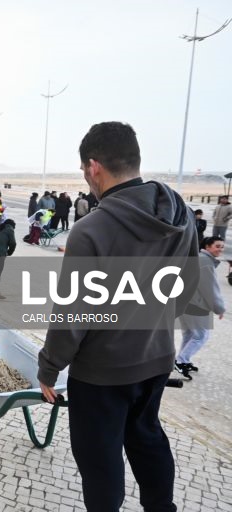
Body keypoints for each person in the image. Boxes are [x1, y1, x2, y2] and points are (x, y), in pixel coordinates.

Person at [38, 122, 199, 512]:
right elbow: (186, 284)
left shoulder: (90, 229)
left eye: (83, 171)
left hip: (102, 374)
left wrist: (48, 368)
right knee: (147, 439)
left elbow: (72, 315)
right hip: (157, 357)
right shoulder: (180, 214)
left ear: (94, 167)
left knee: (100, 462)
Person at [176, 236, 225, 379]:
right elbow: (210, 289)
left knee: (190, 334)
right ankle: (181, 361)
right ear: (208, 246)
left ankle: (182, 360)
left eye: (222, 247)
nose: (220, 250)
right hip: (194, 305)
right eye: (217, 246)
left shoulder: (199, 258)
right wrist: (219, 308)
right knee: (202, 336)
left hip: (184, 302)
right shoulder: (205, 262)